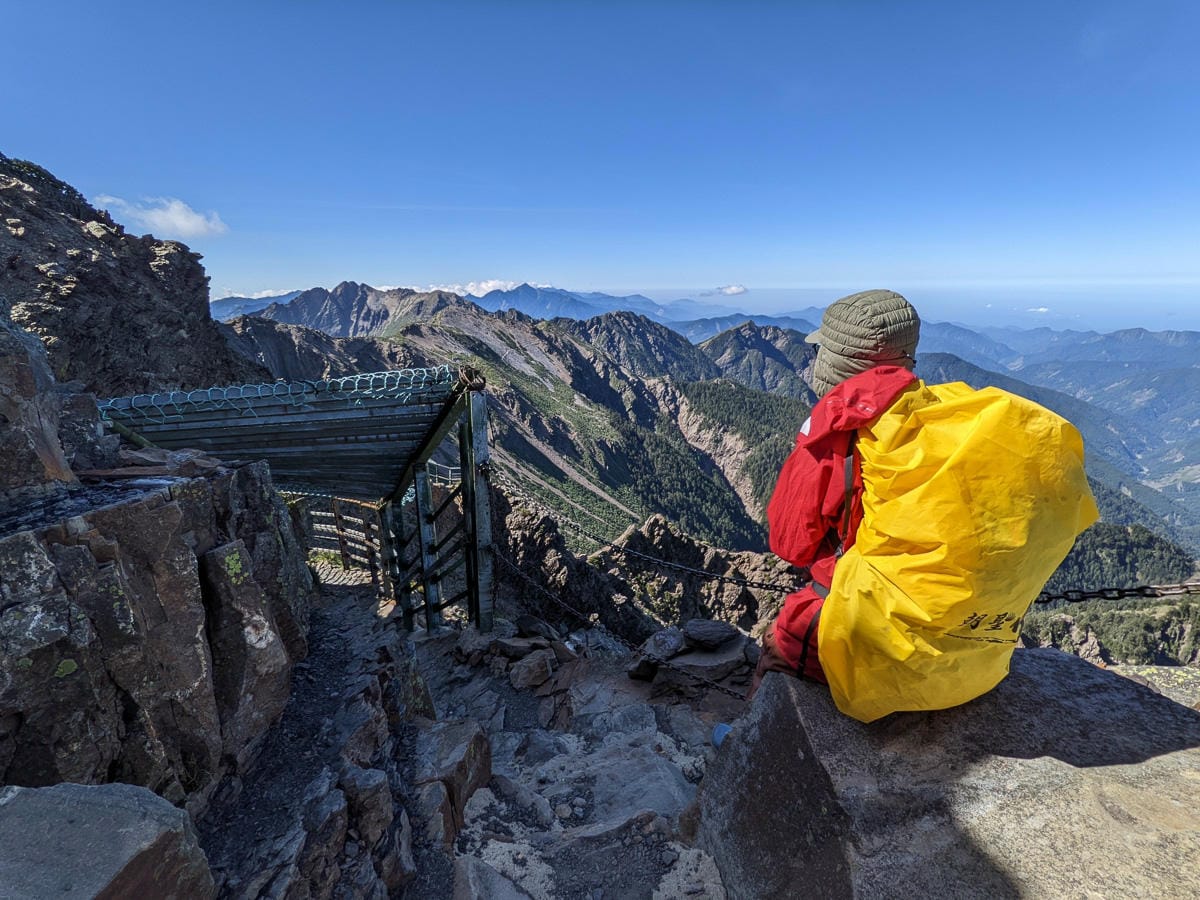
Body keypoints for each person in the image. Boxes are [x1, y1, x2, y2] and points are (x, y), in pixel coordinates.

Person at [749, 289, 920, 696]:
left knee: (773, 656)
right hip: (946, 623)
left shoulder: (832, 440)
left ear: (837, 362)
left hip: (858, 615)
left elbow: (789, 544)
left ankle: (750, 734)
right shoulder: (939, 418)